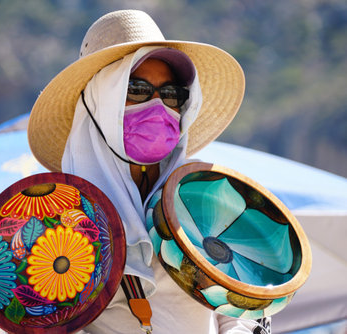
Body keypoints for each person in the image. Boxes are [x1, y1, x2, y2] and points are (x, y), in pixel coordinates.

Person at [27, 9, 269, 334]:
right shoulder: (51, 221)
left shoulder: (206, 197)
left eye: (172, 94)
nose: (159, 106)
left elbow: (240, 302)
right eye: (137, 89)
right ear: (101, 100)